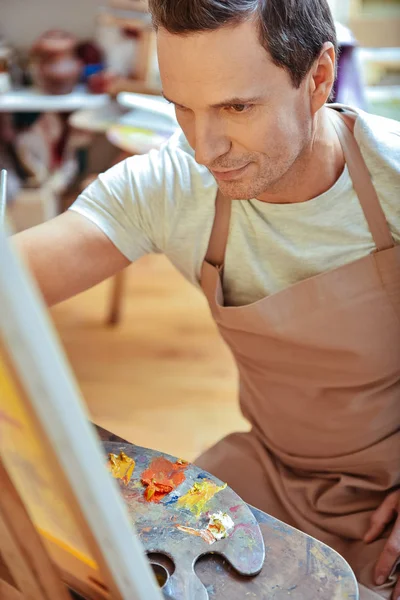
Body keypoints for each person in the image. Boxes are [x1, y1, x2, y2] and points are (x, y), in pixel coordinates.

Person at [13, 1, 400, 598]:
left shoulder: (393, 177)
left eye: (237, 107)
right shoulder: (173, 186)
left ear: (319, 78)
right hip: (271, 475)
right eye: (182, 108)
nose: (204, 147)